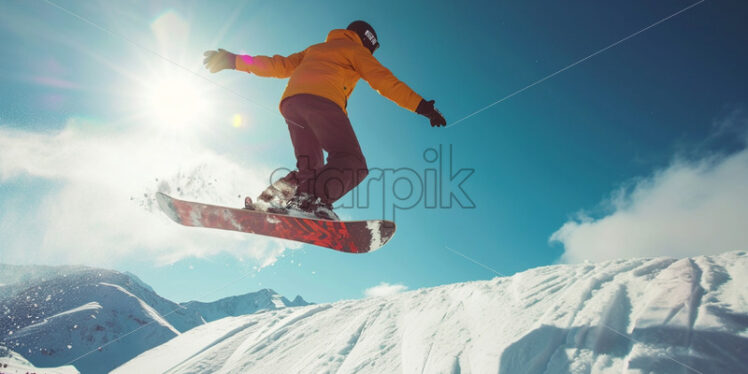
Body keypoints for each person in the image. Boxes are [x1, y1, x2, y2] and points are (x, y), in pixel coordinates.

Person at [203, 20, 446, 220]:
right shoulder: (356, 51)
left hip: (292, 103)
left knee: (310, 170)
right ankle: (312, 203)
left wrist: (234, 60)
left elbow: (278, 65)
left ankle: (268, 204)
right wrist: (422, 106)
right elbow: (384, 81)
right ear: (367, 42)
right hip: (322, 103)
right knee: (352, 162)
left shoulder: (315, 49)